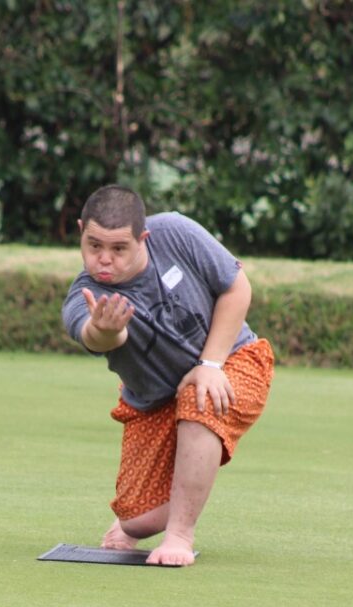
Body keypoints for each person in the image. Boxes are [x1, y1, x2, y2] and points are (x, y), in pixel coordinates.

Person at [62, 184, 274, 566]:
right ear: (81, 231)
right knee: (136, 520)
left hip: (234, 361)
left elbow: (237, 289)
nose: (104, 260)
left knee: (200, 396)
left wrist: (209, 365)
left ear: (143, 237)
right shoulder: (85, 296)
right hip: (154, 401)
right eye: (94, 246)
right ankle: (190, 480)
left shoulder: (177, 232)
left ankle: (180, 535)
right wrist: (107, 330)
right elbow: (99, 336)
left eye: (118, 248)